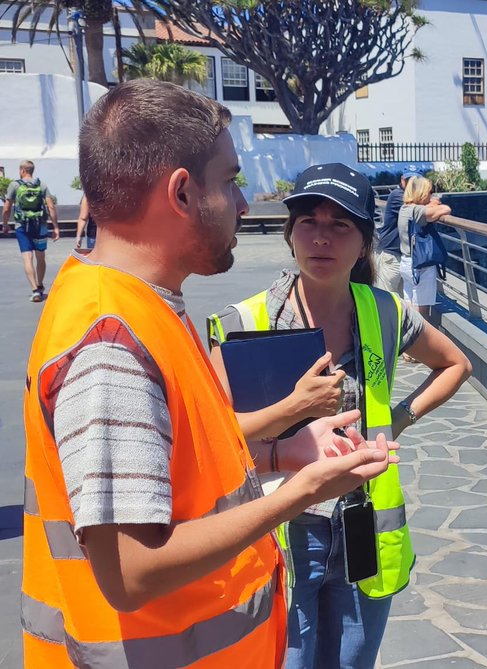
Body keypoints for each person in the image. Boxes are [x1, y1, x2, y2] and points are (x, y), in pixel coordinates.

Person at [22, 79, 401, 668]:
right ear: (180, 193)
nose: (244, 203)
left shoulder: (138, 307)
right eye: (229, 181)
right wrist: (301, 493)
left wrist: (286, 455)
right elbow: (132, 571)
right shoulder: (111, 342)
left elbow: (184, 462)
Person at [207, 163, 472, 669]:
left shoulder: (386, 311)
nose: (321, 238)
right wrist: (292, 414)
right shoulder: (244, 324)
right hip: (282, 527)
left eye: (340, 225)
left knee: (352, 661)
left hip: (361, 526)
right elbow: (212, 439)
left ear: (363, 243)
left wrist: (398, 419)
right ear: (289, 235)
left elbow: (456, 364)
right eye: (308, 221)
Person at [374, 175, 450, 320]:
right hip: (420, 267)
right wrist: (435, 204)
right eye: (429, 192)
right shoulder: (417, 211)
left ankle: (403, 336)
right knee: (419, 311)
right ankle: (416, 339)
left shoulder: (405, 208)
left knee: (408, 304)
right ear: (422, 193)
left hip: (406, 262)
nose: (430, 195)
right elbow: (446, 209)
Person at [2, 160, 60, 301]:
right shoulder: (41, 184)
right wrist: (56, 227)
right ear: (32, 171)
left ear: (22, 170)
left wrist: (5, 224)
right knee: (40, 257)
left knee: (27, 258)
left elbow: (6, 208)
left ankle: (34, 290)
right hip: (40, 225)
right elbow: (51, 207)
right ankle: (40, 286)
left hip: (22, 226)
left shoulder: (14, 185)